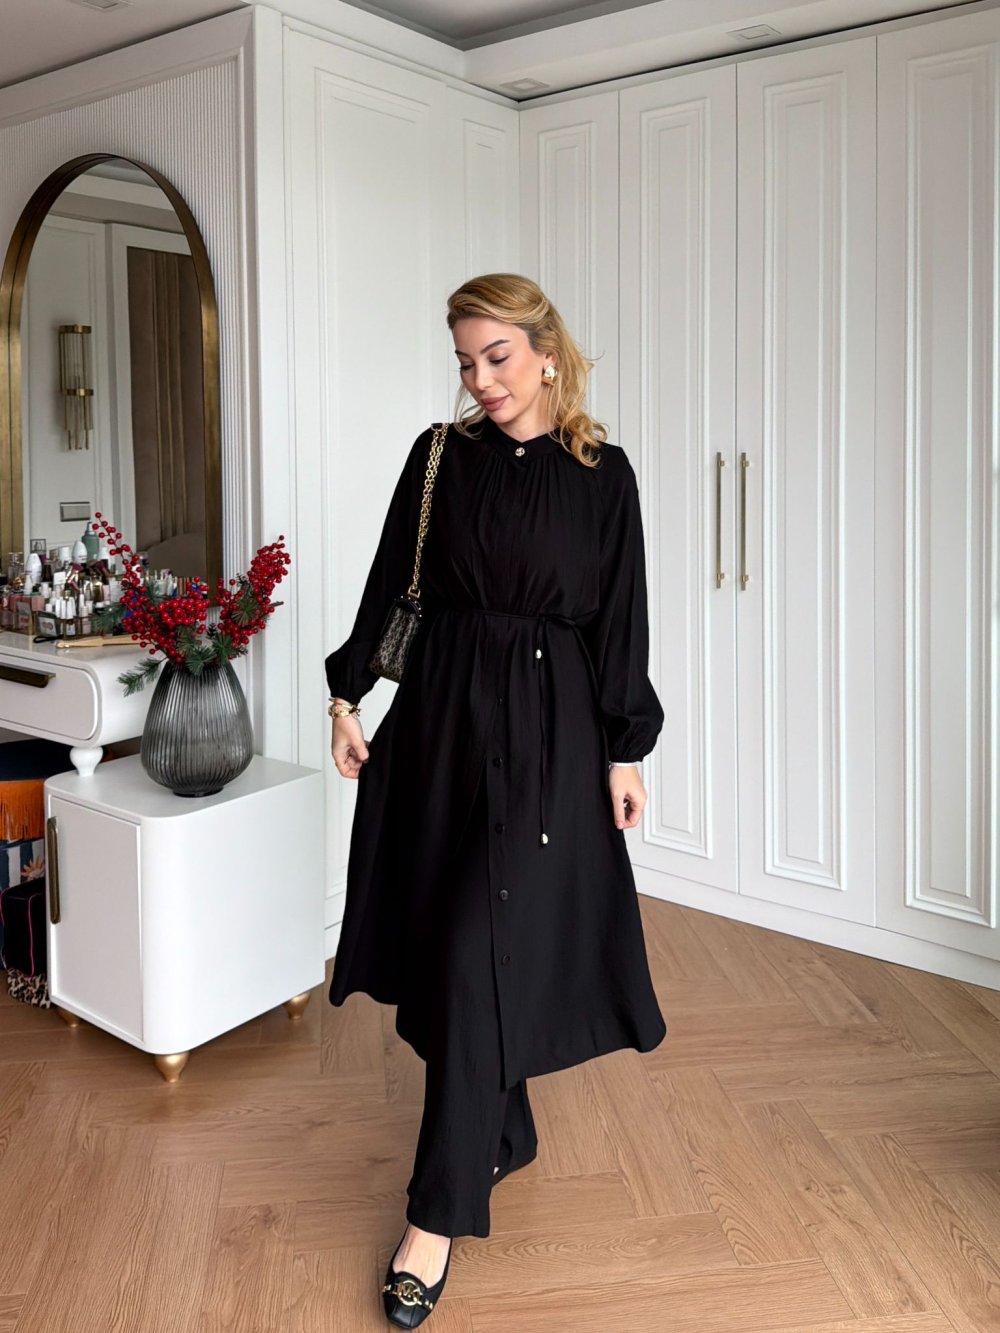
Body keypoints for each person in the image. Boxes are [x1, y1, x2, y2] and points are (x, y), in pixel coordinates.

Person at [325, 273, 667, 1327]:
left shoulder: (604, 477)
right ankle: (501, 1127)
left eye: (498, 357)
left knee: (482, 941)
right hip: (442, 724)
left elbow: (619, 619)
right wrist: (347, 695)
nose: (480, 380)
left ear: (546, 351)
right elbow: (393, 586)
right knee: (460, 943)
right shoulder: (439, 457)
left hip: (554, 735)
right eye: (466, 362)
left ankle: (434, 1215)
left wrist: (625, 750)